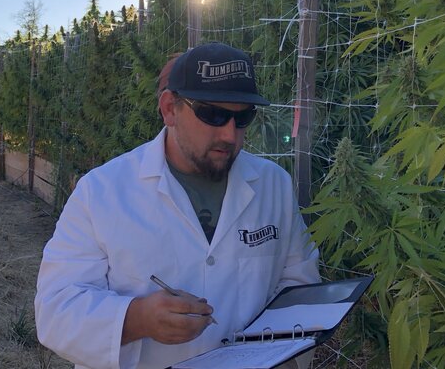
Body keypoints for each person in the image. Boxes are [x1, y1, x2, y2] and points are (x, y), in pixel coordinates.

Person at [35, 42, 320, 369]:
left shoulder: (274, 186)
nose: (230, 135)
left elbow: (299, 285)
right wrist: (136, 319)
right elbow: (54, 309)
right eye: (213, 114)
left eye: (243, 118)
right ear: (170, 108)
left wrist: (284, 361)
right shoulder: (102, 192)